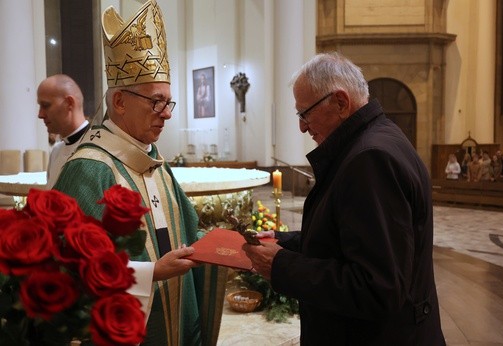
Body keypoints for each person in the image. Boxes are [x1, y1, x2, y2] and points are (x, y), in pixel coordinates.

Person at [243, 52, 445, 345]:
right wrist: (281, 241)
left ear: (340, 102)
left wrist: (282, 266)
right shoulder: (380, 138)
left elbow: (377, 288)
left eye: (304, 113)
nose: (301, 126)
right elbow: (346, 240)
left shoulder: (370, 160)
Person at [53, 1, 219, 345]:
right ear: (120, 103)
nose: (166, 114)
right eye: (156, 102)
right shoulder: (88, 169)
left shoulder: (155, 163)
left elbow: (186, 229)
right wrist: (152, 273)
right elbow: (71, 265)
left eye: (168, 102)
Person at [37, 74, 89, 189]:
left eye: (46, 105)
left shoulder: (95, 147)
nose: (40, 115)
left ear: (69, 103)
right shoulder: (56, 151)